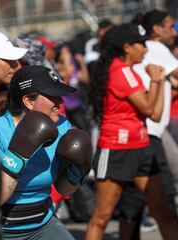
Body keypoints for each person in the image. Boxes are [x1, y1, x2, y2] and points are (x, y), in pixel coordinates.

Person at [86, 23, 178, 240]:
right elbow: (149, 109)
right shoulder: (120, 71)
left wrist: (161, 82)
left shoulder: (129, 72)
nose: (146, 49)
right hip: (117, 148)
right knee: (102, 216)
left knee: (162, 210)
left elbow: (154, 114)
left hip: (142, 146)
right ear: (128, 47)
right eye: (142, 44)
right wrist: (156, 80)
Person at [0, 65, 92, 239]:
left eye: (59, 96)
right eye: (53, 97)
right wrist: (20, 153)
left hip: (43, 223)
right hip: (1, 229)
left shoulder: (62, 125)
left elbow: (64, 190)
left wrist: (78, 172)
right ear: (29, 101)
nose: (60, 103)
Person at [118, 9, 178, 239]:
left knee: (138, 193)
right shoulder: (156, 48)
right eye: (170, 26)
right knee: (163, 190)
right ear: (156, 29)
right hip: (148, 131)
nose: (173, 32)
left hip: (145, 130)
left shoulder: (149, 51)